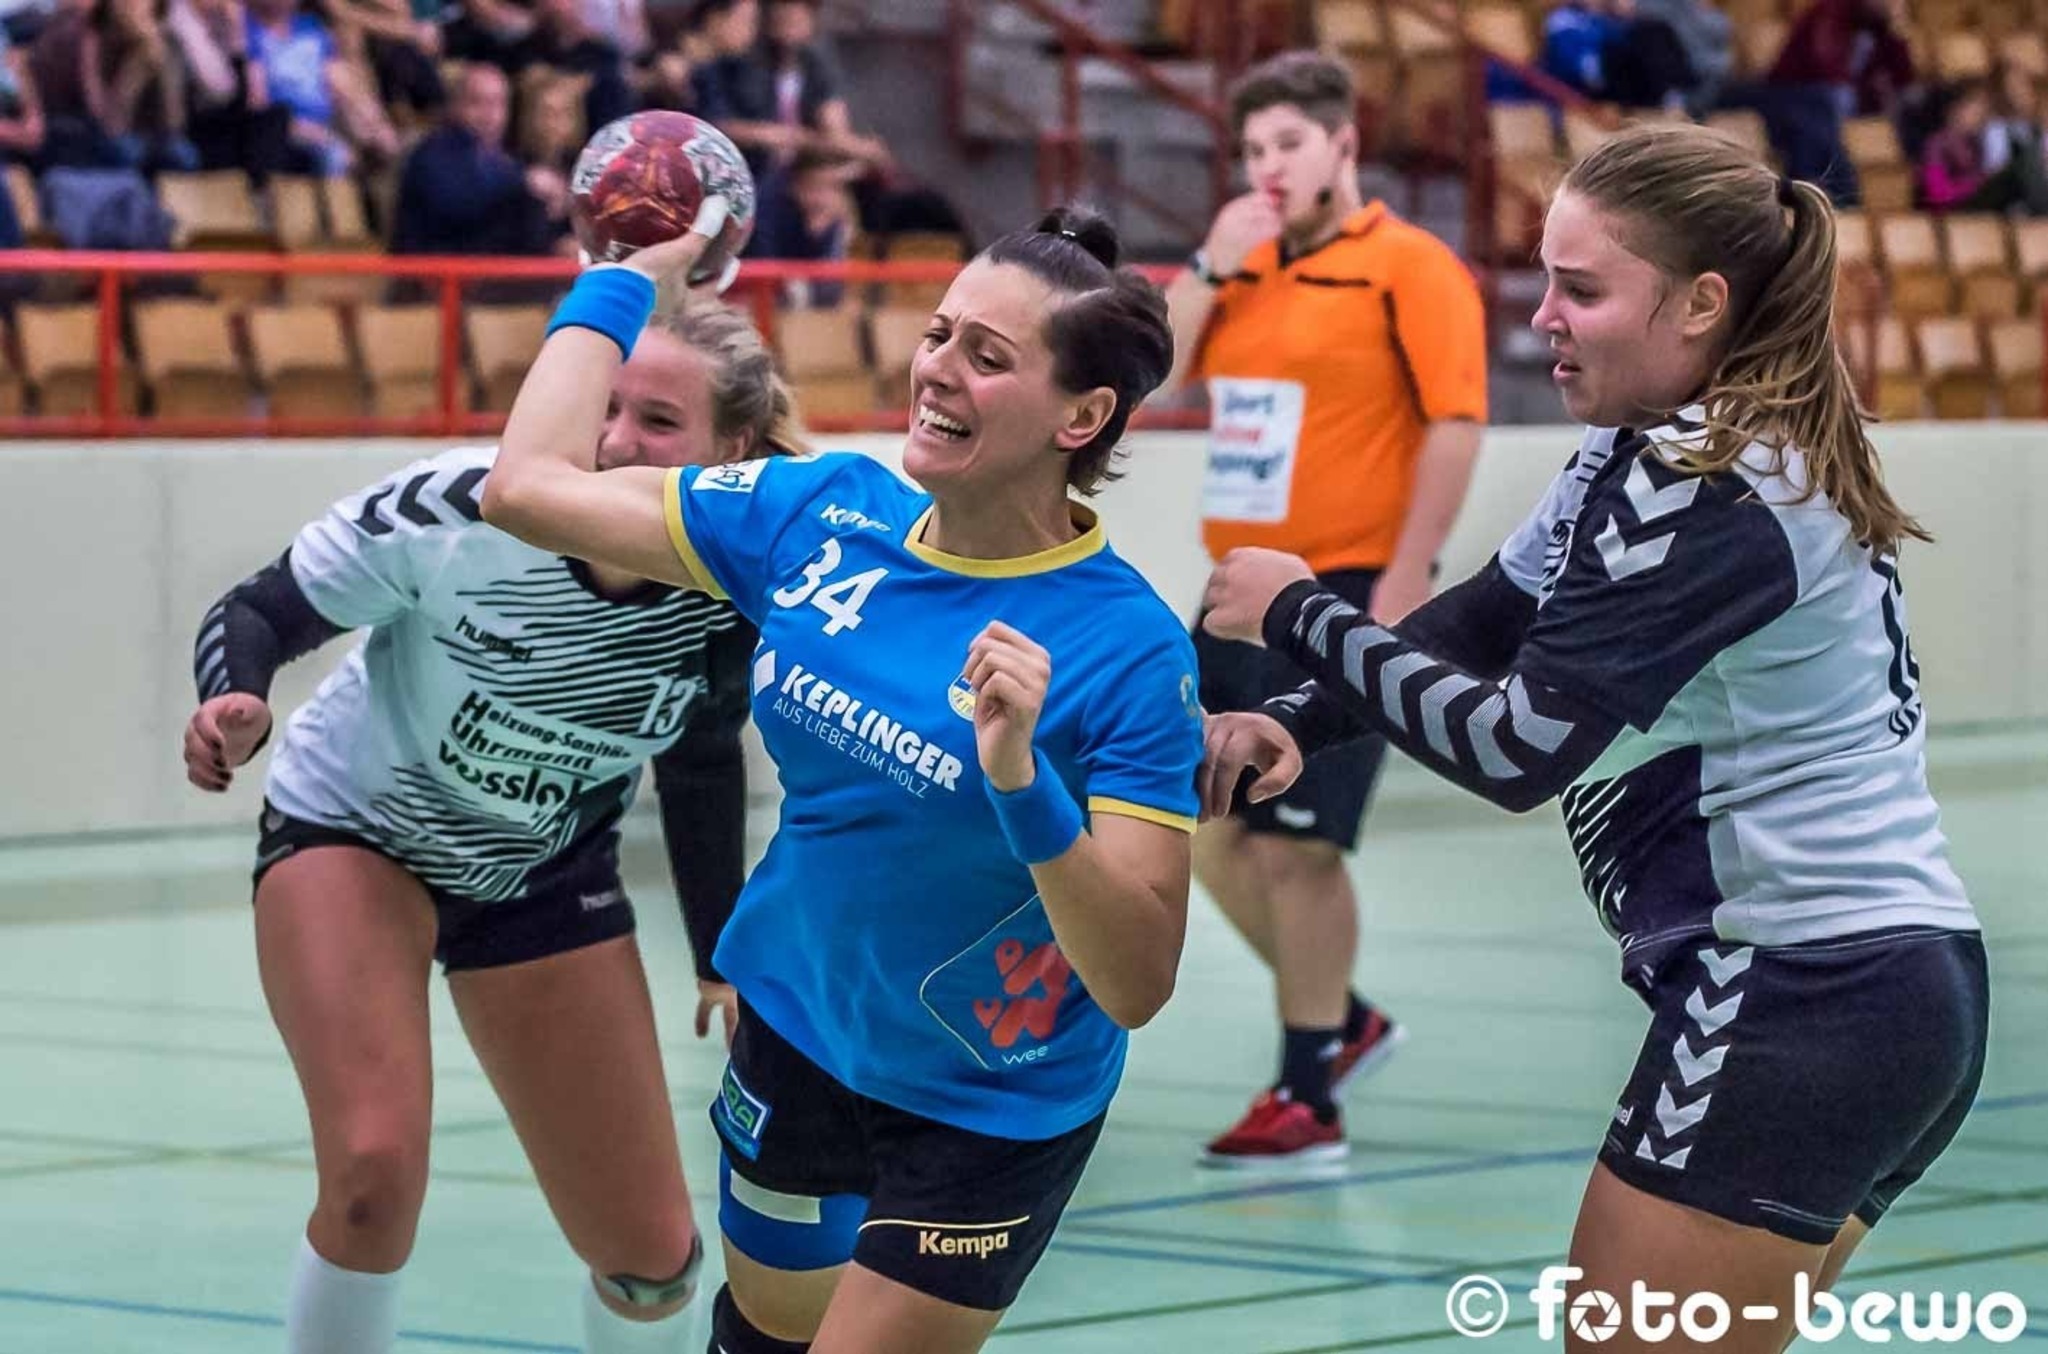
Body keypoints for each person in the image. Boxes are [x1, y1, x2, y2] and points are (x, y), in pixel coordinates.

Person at [1200, 123, 1987, 1352]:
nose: (1541, 320)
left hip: (1794, 995)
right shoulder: (1666, 446)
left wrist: (1297, 614)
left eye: (1581, 289)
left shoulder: (1703, 483)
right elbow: (1487, 615)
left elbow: (1520, 752)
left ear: (1698, 304)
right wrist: (1299, 718)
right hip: (1874, 992)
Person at [481, 202, 1204, 1354]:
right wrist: (622, 282)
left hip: (990, 1099)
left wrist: (1023, 785)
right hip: (796, 1032)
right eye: (938, 334)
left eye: (987, 356)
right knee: (764, 1334)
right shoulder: (818, 516)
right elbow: (523, 487)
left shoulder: (1127, 649)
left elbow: (1134, 978)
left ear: (1084, 413)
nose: (937, 373)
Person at [182, 298, 799, 1354]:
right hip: (356, 832)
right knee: (374, 1173)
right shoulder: (463, 508)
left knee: (652, 1264)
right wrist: (230, 700)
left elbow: (701, 761)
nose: (613, 440)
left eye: (658, 421)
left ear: (730, 449)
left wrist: (717, 956)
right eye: (603, 406)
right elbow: (257, 608)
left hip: (543, 869)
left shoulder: (731, 589)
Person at [1159, 49, 1487, 1167]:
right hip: (1230, 591)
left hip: (1342, 588)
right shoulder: (1238, 268)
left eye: (1287, 144)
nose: (1267, 167)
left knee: (1299, 850)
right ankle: (1343, 1021)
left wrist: (1404, 582)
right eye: (1251, 151)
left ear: (1342, 147)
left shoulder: (1408, 265)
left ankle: (1308, 1093)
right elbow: (1151, 378)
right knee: (1202, 833)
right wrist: (1209, 259)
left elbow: (1453, 421)